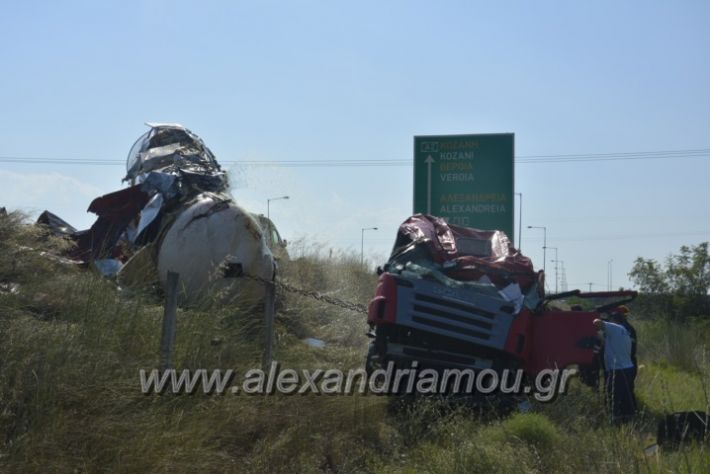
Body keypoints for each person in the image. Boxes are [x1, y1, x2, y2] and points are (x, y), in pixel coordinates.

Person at [593, 318, 636, 423]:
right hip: (628, 368)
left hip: (617, 370)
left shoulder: (613, 327)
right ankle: (629, 421)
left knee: (613, 397)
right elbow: (613, 345)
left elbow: (596, 322)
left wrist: (591, 322)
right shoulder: (624, 331)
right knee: (626, 397)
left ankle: (614, 421)